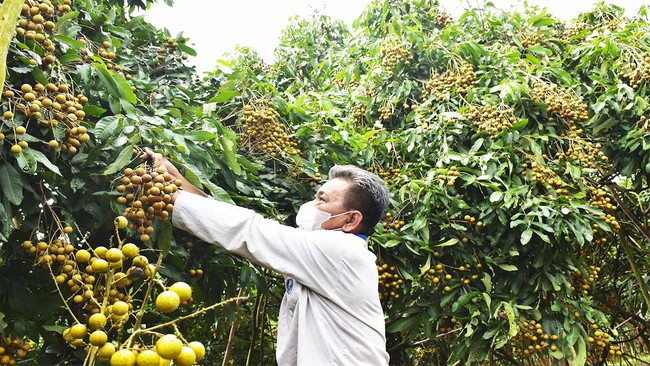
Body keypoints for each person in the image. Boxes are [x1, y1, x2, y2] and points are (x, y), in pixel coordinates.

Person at [142, 151, 391, 365]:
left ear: (351, 220)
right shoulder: (321, 256)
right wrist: (177, 182)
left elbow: (251, 231)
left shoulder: (340, 252)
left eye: (322, 200)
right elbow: (241, 224)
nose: (312, 205)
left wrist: (170, 196)